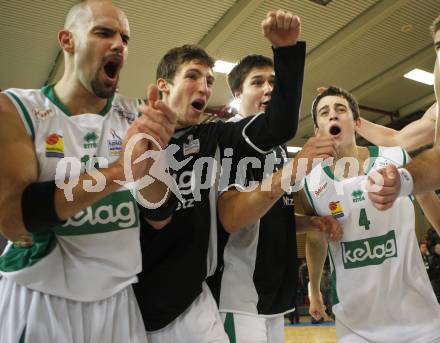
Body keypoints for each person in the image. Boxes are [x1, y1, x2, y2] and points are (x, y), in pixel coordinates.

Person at [0, 1, 176, 342]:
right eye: (104, 32)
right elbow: (13, 219)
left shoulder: (135, 116)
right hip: (41, 298)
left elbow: (160, 216)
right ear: (67, 40)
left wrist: (151, 159)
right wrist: (119, 171)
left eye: (124, 38)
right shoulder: (17, 107)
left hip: (118, 301)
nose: (119, 45)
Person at [133, 9, 308, 342]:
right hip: (131, 299)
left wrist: (286, 51)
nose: (204, 87)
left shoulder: (213, 138)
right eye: (193, 76)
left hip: (193, 300)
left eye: (209, 81)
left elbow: (280, 125)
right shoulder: (129, 135)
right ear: (163, 86)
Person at [206, 53, 340, 343]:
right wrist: (294, 170)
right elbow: (231, 217)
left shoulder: (278, 149)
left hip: (274, 295)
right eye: (258, 82)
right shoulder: (230, 139)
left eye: (274, 82)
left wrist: (312, 223)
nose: (269, 89)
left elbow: (274, 215)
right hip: (239, 296)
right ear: (237, 93)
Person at [303, 86, 440, 342]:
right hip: (356, 326)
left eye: (340, 109)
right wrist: (314, 288)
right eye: (324, 112)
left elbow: (429, 200)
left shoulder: (396, 157)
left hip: (419, 320)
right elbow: (315, 237)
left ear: (355, 123)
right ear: (317, 130)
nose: (332, 115)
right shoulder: (311, 182)